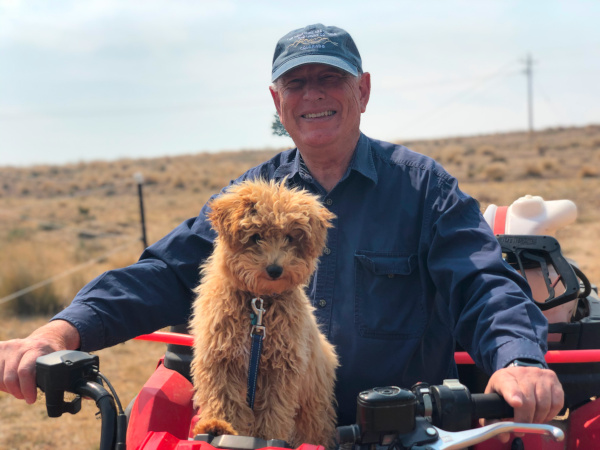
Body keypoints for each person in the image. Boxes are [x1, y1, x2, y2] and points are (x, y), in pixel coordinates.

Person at [0, 24, 563, 430]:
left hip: (402, 432)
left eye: (330, 78)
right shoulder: (249, 196)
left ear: (363, 90)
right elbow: (165, 273)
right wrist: (61, 332)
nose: (313, 93)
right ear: (277, 100)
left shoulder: (423, 188)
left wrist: (518, 360)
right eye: (296, 83)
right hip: (270, 437)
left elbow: (483, 281)